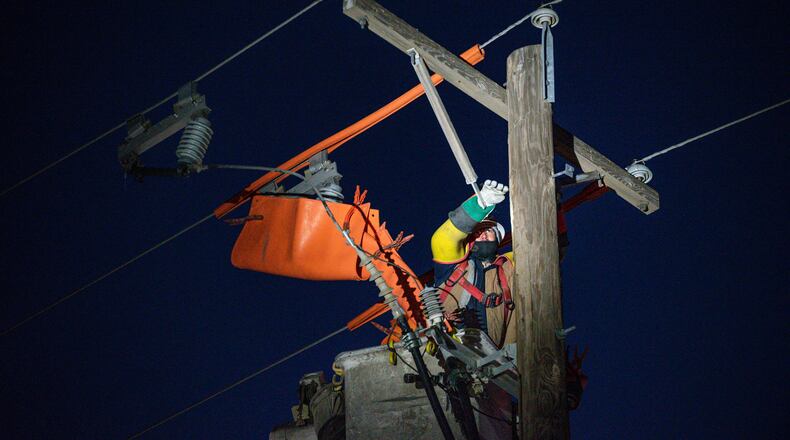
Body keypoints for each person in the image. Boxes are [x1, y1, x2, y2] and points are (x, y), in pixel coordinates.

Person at [431, 179, 515, 348]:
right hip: (448, 354)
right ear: (469, 241)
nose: (483, 234)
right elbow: (442, 240)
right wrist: (480, 204)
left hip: (502, 361)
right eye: (477, 232)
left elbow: (545, 248)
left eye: (489, 231)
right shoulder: (453, 265)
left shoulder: (510, 266)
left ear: (497, 240)